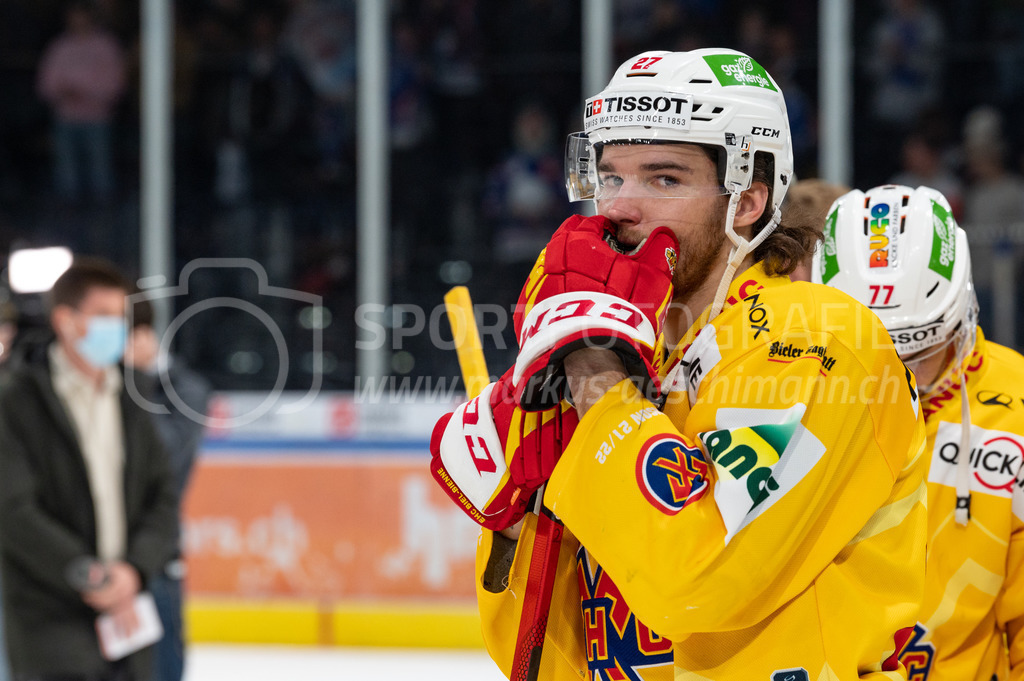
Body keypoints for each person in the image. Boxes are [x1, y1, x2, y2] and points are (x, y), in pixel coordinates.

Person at [430, 49, 928, 680]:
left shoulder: (817, 336)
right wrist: (514, 521)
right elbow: (554, 654)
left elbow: (698, 581)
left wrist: (594, 377)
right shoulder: (635, 352)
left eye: (664, 179)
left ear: (746, 201)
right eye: (610, 177)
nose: (618, 207)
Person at [813, 184, 1024, 680]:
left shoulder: (1016, 410)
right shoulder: (793, 390)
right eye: (879, 357)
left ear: (963, 311)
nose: (901, 380)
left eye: (919, 354)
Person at [0, 258, 179, 681]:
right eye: (103, 317)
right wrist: (89, 575)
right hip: (47, 610)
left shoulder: (134, 398)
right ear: (65, 320)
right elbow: (13, 510)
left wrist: (132, 570)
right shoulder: (16, 403)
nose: (115, 329)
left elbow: (162, 496)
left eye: (120, 317)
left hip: (128, 608)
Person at [123, 299, 211, 681]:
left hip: (156, 558)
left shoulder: (184, 392)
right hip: (99, 558)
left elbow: (165, 458)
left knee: (161, 669)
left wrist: (136, 380)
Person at [36, 1, 126, 205]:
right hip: (65, 117)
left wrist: (85, 92)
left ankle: (103, 214)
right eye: (72, 16)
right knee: (66, 171)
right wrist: (62, 92)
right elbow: (46, 82)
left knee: (99, 169)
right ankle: (69, 215)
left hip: (97, 117)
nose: (76, 21)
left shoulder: (106, 45)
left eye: (81, 15)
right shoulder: (59, 46)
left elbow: (114, 83)